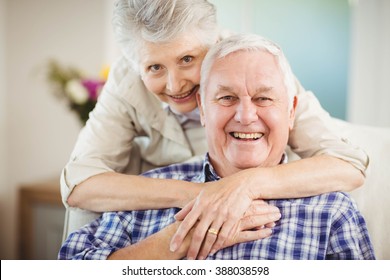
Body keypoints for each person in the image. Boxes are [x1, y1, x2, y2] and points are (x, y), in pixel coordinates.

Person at [61, 0, 369, 259]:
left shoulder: (252, 65)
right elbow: (79, 184)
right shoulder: (127, 80)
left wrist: (246, 184)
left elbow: (348, 164)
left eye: (187, 59)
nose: (174, 84)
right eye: (155, 67)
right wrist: (207, 196)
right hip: (171, 200)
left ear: (213, 46)